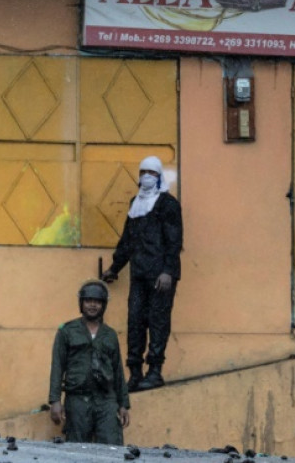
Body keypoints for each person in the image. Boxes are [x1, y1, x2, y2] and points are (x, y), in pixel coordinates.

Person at [101, 155, 183, 392]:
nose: (147, 176)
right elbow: (127, 240)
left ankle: (154, 371)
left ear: (159, 177)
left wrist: (167, 271)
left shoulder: (168, 204)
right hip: (139, 274)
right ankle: (135, 373)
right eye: (143, 172)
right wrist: (115, 268)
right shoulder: (135, 203)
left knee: (158, 321)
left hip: (161, 276)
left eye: (152, 173)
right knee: (135, 321)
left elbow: (174, 240)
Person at [48, 280, 130, 444]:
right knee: (78, 449)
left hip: (106, 400)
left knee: (112, 447)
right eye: (88, 301)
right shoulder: (67, 331)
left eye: (97, 301)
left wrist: (123, 404)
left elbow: (118, 370)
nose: (92, 305)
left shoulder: (110, 335)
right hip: (77, 399)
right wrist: (55, 401)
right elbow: (57, 366)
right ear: (81, 303)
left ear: (103, 304)